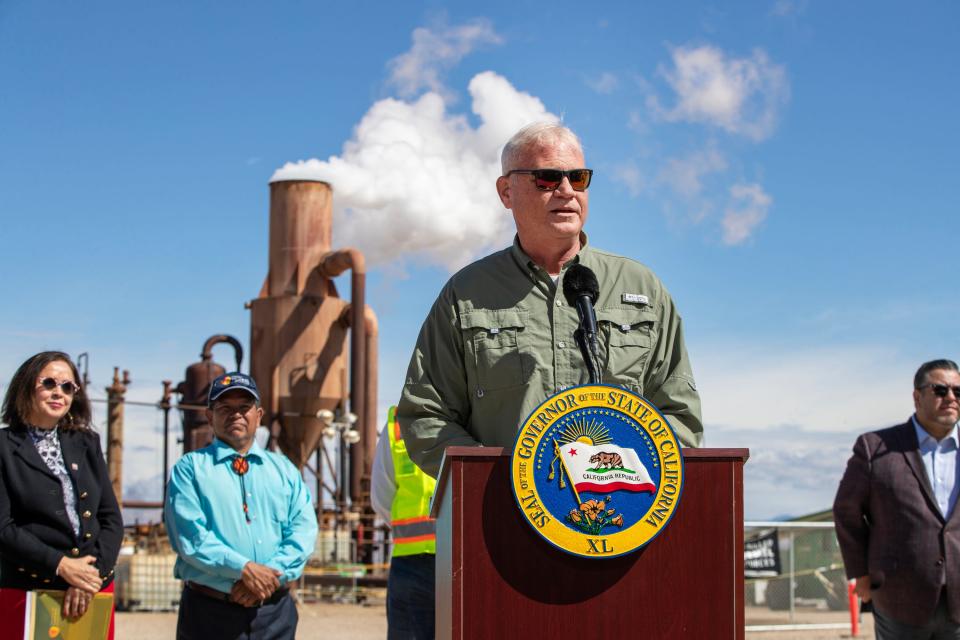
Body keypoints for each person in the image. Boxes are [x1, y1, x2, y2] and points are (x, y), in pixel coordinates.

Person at [397, 122, 703, 477]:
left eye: (578, 178)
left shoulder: (642, 289)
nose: (566, 191)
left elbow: (679, 415)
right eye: (546, 178)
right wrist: (498, 481)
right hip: (505, 520)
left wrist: (624, 475)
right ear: (506, 191)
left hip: (619, 517)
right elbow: (425, 414)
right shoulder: (466, 295)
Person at [165, 372, 318, 640]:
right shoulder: (190, 469)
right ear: (210, 416)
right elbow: (190, 537)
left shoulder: (284, 470)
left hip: (275, 613)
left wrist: (266, 578)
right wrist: (245, 569)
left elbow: (303, 530)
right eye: (225, 408)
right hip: (210, 614)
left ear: (259, 415)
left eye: (244, 407)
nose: (236, 414)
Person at [0, 351, 123, 638]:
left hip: (93, 589)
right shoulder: (3, 447)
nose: (59, 392)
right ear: (27, 386)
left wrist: (89, 579)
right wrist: (62, 566)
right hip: (28, 591)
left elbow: (111, 519)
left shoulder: (86, 442)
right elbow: (3, 528)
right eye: (50, 383)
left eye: (68, 387)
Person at [834, 359, 960, 638]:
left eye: (958, 391)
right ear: (917, 396)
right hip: (899, 597)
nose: (951, 398)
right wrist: (861, 573)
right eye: (940, 390)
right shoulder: (875, 448)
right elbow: (846, 511)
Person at [371, 406, 436, 640]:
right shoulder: (396, 421)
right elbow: (381, 498)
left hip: (422, 564)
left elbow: (381, 497)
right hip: (413, 566)